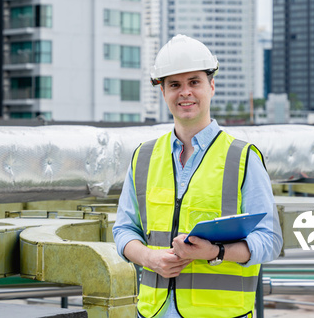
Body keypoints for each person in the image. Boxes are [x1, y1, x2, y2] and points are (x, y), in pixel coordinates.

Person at [113, 34, 283, 318]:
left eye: (194, 82)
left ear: (211, 86)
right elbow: (123, 230)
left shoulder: (242, 158)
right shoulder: (143, 157)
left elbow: (270, 240)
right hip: (153, 313)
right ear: (163, 92)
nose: (185, 92)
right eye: (175, 85)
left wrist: (215, 253)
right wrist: (149, 258)